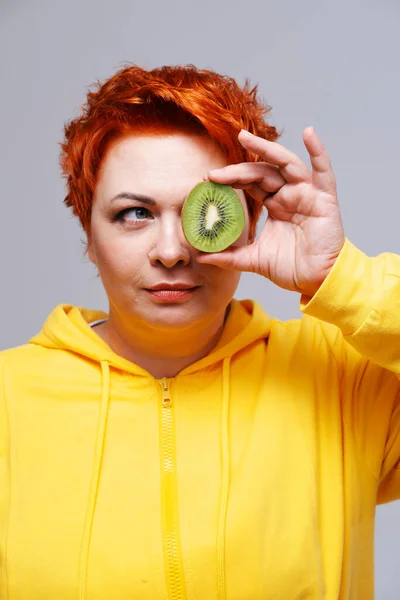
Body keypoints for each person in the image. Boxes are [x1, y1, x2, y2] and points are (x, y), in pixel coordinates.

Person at [0, 64, 399, 600]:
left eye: (199, 213)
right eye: (135, 213)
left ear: (250, 222)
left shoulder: (345, 378)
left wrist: (339, 275)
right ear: (88, 236)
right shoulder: (9, 398)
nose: (171, 252)